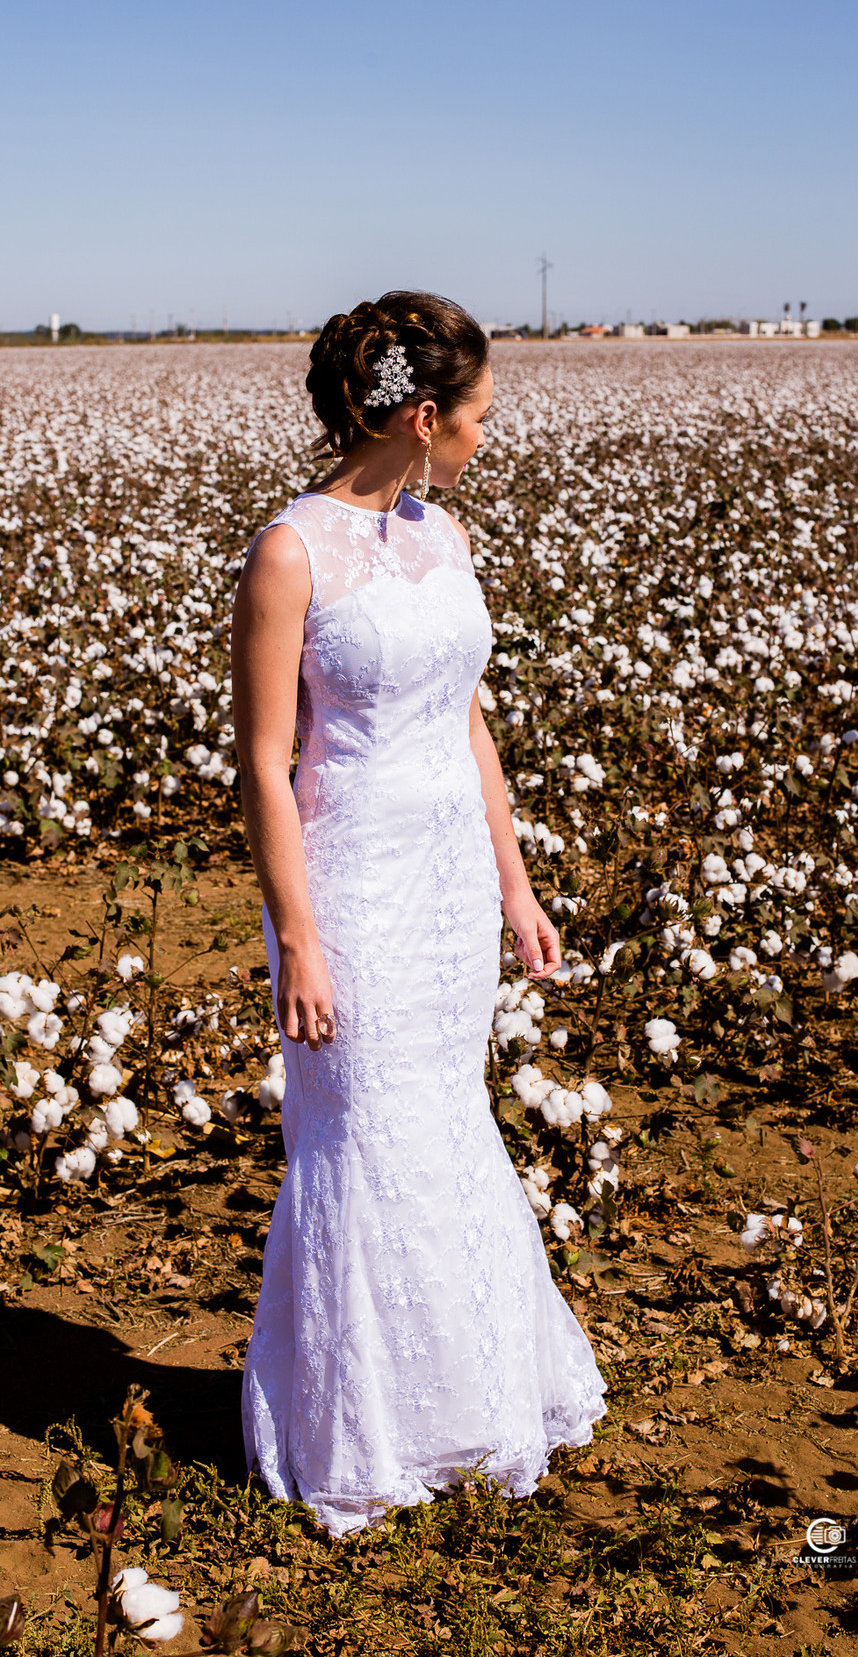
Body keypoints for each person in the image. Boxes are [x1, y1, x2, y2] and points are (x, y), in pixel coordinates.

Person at [230, 291, 605, 1536]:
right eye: (479, 415)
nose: (488, 437)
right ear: (423, 417)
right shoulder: (289, 551)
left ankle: (464, 1408)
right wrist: (299, 940)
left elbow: (467, 722)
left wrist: (515, 885)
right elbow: (265, 762)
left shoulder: (443, 535)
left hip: (447, 888)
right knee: (361, 1139)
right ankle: (362, 1437)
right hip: (349, 884)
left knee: (443, 1124)